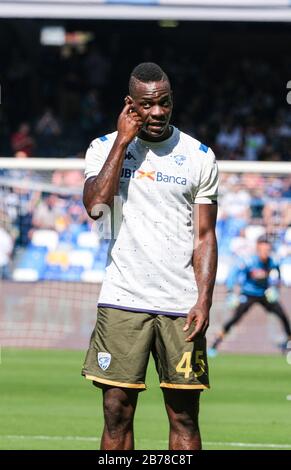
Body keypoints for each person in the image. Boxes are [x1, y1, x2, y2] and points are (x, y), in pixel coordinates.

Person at [82, 62, 218, 450]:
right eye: (147, 104)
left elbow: (206, 237)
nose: (157, 112)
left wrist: (204, 299)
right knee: (116, 412)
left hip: (180, 304)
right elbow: (95, 206)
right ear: (130, 105)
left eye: (165, 103)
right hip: (123, 300)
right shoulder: (102, 148)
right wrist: (123, 143)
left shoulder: (199, 156)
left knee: (184, 416)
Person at [209, 236, 291, 356]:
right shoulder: (249, 262)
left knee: (283, 316)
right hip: (248, 294)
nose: (265, 253)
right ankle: (215, 344)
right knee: (234, 319)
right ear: (258, 249)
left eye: (268, 250)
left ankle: (289, 343)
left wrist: (275, 289)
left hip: (264, 294)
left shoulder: (272, 262)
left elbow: (278, 274)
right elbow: (233, 275)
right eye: (263, 250)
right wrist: (231, 293)